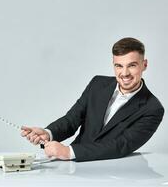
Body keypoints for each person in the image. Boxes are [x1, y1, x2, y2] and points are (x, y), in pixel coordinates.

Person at [21, 37, 164, 162]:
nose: (124, 73)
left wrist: (68, 152)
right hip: (73, 167)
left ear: (144, 65)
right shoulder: (97, 84)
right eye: (119, 66)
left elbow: (121, 145)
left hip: (113, 173)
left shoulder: (153, 109)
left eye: (132, 65)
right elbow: (72, 119)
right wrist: (48, 133)